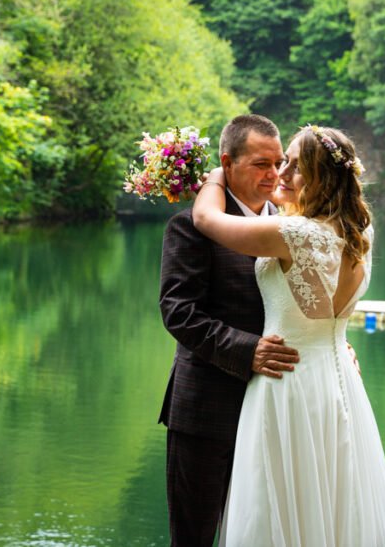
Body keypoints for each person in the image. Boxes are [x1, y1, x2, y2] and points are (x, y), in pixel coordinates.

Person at [192, 124, 385, 546]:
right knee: (339, 497)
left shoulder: (294, 234)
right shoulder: (360, 233)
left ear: (322, 178)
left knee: (279, 504)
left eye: (294, 165)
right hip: (339, 379)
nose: (281, 173)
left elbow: (205, 219)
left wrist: (218, 175)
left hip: (286, 382)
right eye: (281, 162)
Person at [158, 114, 303, 546]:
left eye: (278, 163)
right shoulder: (191, 226)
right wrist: (248, 350)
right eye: (261, 163)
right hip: (208, 409)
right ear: (227, 163)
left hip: (281, 407)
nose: (274, 174)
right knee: (195, 536)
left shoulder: (295, 225)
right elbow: (178, 311)